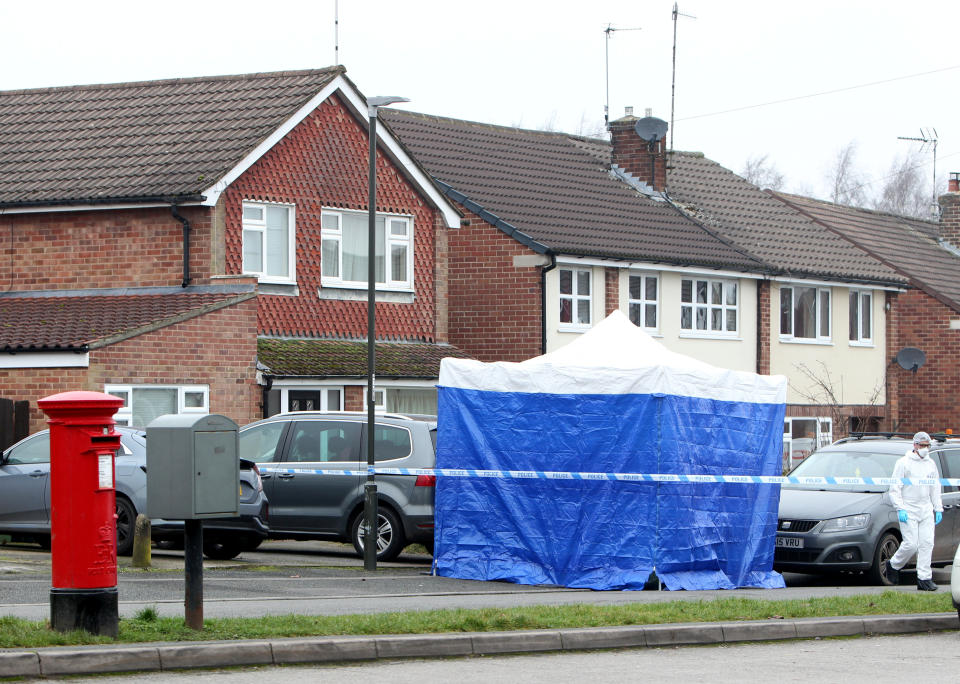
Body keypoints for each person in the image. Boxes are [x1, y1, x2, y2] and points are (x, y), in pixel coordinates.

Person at [885, 431, 944, 590]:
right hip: (908, 507)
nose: (926, 449)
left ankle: (924, 579)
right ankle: (893, 564)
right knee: (911, 544)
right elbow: (895, 489)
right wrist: (900, 508)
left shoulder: (930, 464)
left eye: (928, 446)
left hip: (926, 507)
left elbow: (935, 487)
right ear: (915, 445)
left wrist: (938, 508)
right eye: (923, 445)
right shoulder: (903, 463)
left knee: (927, 543)